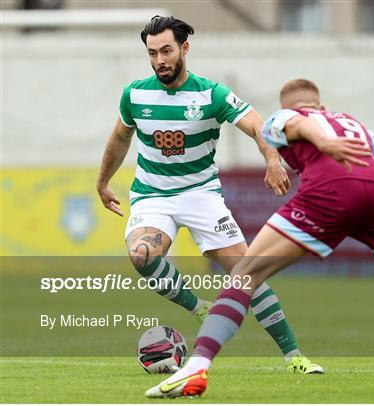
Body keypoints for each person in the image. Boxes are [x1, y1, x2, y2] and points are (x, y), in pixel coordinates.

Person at [145, 78, 374, 398]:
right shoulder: (357, 128)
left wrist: (324, 143)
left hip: (332, 191)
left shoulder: (284, 118)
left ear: (291, 105)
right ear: (322, 104)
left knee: (245, 275)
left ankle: (196, 366)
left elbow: (298, 127)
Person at [96, 17, 324, 374]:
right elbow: (121, 137)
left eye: (167, 51)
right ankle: (198, 307)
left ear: (184, 49)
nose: (160, 60)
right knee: (141, 255)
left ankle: (295, 357)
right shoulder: (135, 94)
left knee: (248, 273)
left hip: (201, 195)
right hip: (152, 196)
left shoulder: (212, 95)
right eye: (152, 53)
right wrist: (103, 181)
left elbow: (255, 125)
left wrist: (272, 159)